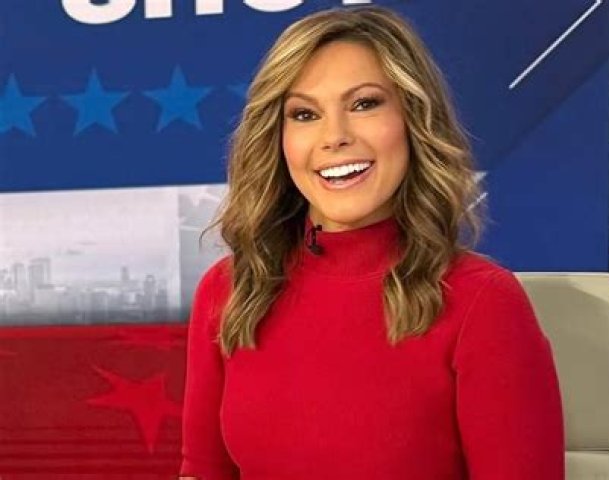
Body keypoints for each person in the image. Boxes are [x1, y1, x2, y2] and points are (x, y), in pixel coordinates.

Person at [179, 6, 563, 480]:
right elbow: (203, 471)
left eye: (364, 104)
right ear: (278, 140)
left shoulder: (483, 303)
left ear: (413, 119)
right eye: (304, 114)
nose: (334, 137)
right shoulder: (229, 291)